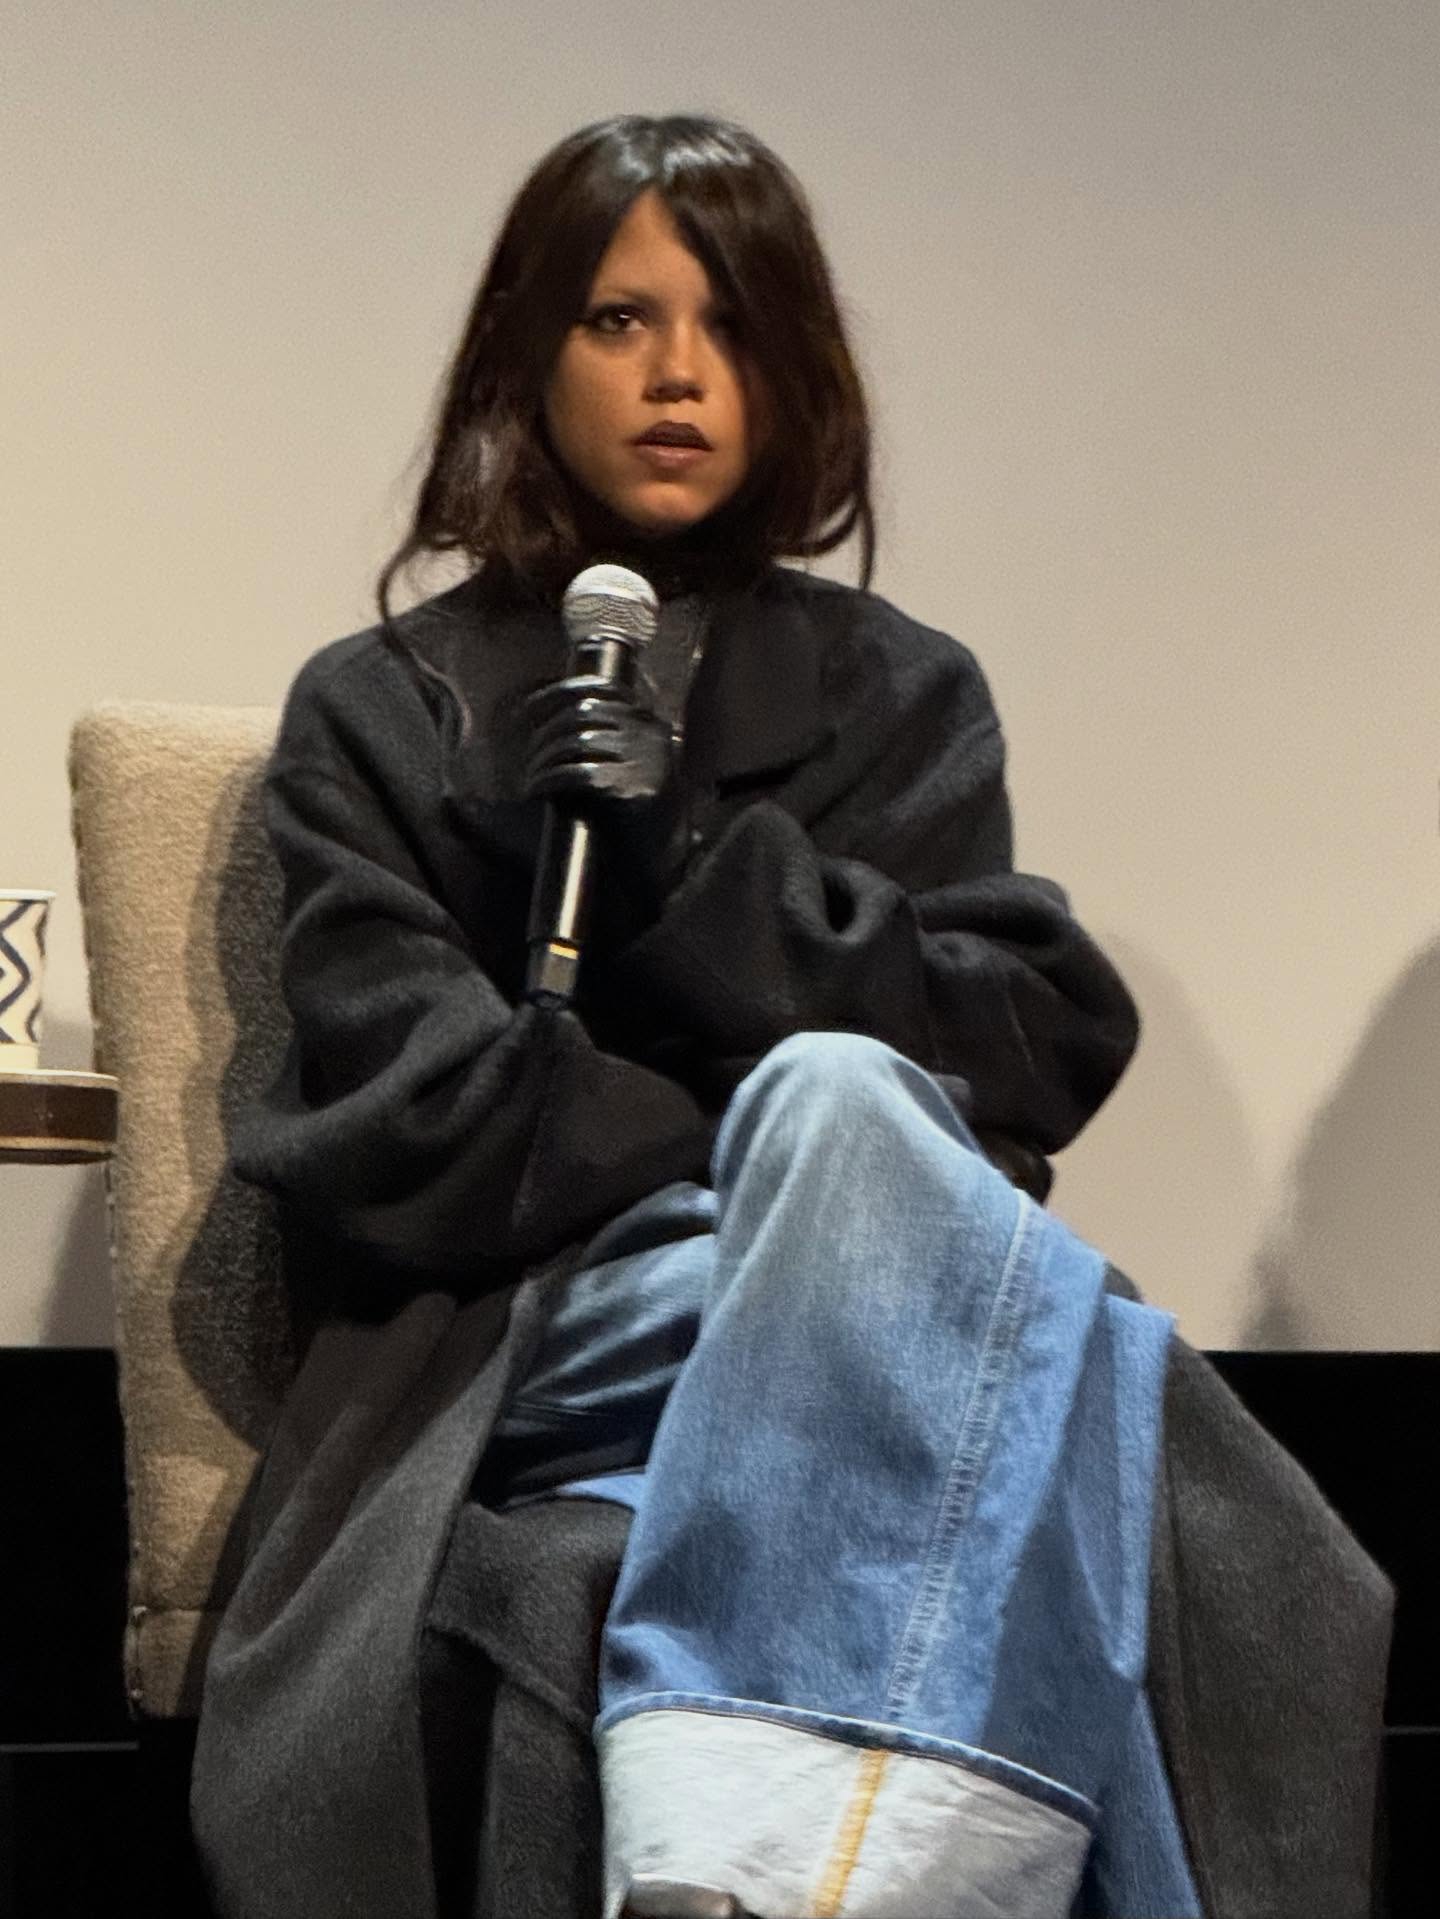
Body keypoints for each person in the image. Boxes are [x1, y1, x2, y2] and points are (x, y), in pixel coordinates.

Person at [189, 116, 1390, 1919]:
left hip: (859, 1294)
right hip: (539, 1328)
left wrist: (686, 872)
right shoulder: (384, 710)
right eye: (619, 320)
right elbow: (414, 1130)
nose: (679, 374)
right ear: (526, 353)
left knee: (849, 1119)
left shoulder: (903, 694)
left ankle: (739, 1870)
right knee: (950, 1243)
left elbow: (1017, 1055)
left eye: (731, 325)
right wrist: (779, 1148)